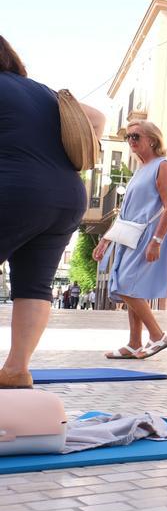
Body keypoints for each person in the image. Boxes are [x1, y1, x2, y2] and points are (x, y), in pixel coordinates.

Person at [0, 35, 104, 388]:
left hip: (15, 188)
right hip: (67, 197)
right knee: (34, 284)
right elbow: (96, 118)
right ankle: (16, 369)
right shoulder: (43, 92)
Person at [92, 120, 167, 359]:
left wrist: (156, 241)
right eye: (128, 137)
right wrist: (106, 239)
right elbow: (125, 212)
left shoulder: (162, 165)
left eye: (136, 136)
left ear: (152, 140)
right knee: (131, 286)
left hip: (148, 234)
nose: (131, 140)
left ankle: (158, 335)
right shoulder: (141, 169)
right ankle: (134, 343)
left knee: (126, 285)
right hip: (131, 234)